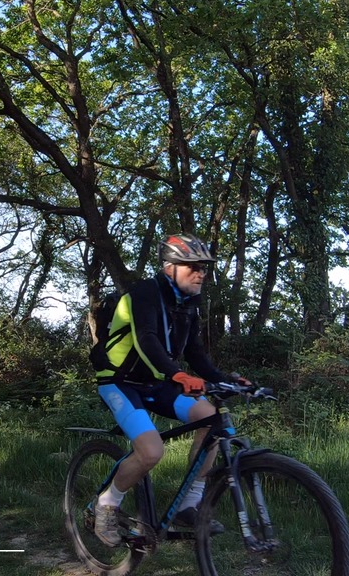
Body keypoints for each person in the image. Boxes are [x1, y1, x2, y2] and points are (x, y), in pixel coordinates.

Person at [91, 233, 249, 547]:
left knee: (211, 419)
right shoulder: (143, 294)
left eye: (204, 267)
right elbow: (146, 340)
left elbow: (195, 352)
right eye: (193, 266)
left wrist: (225, 379)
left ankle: (188, 506)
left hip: (157, 382)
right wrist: (179, 375)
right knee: (151, 452)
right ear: (169, 267)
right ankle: (107, 505)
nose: (201, 273)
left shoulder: (187, 305)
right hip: (120, 382)